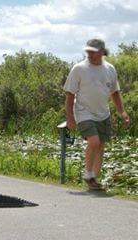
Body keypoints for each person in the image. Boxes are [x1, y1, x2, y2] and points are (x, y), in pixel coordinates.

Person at [63, 39, 130, 190]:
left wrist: (122, 112)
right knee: (94, 142)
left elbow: (115, 93)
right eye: (88, 51)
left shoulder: (110, 69)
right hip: (83, 112)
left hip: (103, 113)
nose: (90, 55)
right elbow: (69, 95)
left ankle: (94, 179)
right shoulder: (79, 69)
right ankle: (88, 175)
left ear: (101, 52)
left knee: (101, 146)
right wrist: (70, 118)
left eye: (93, 52)